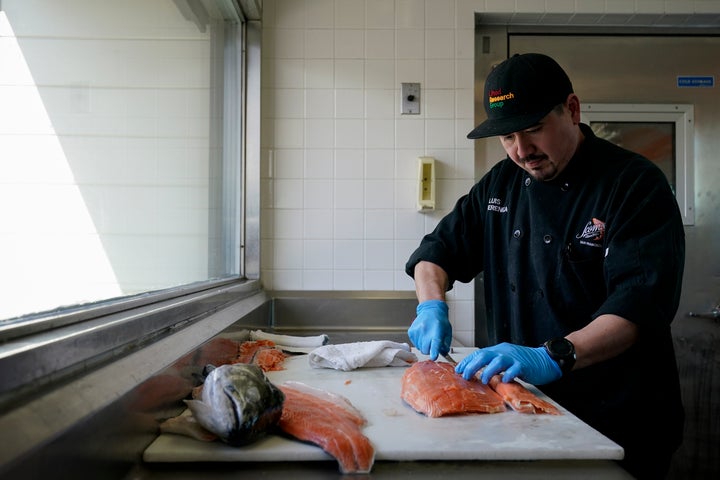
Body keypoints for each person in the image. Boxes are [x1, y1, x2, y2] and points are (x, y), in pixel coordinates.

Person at [405, 53, 685, 480]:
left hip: (620, 419)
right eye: (507, 137)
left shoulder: (634, 184)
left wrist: (554, 355)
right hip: (521, 414)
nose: (521, 151)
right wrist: (430, 305)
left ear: (571, 110)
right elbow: (434, 253)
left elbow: (637, 307)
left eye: (533, 129)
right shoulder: (501, 184)